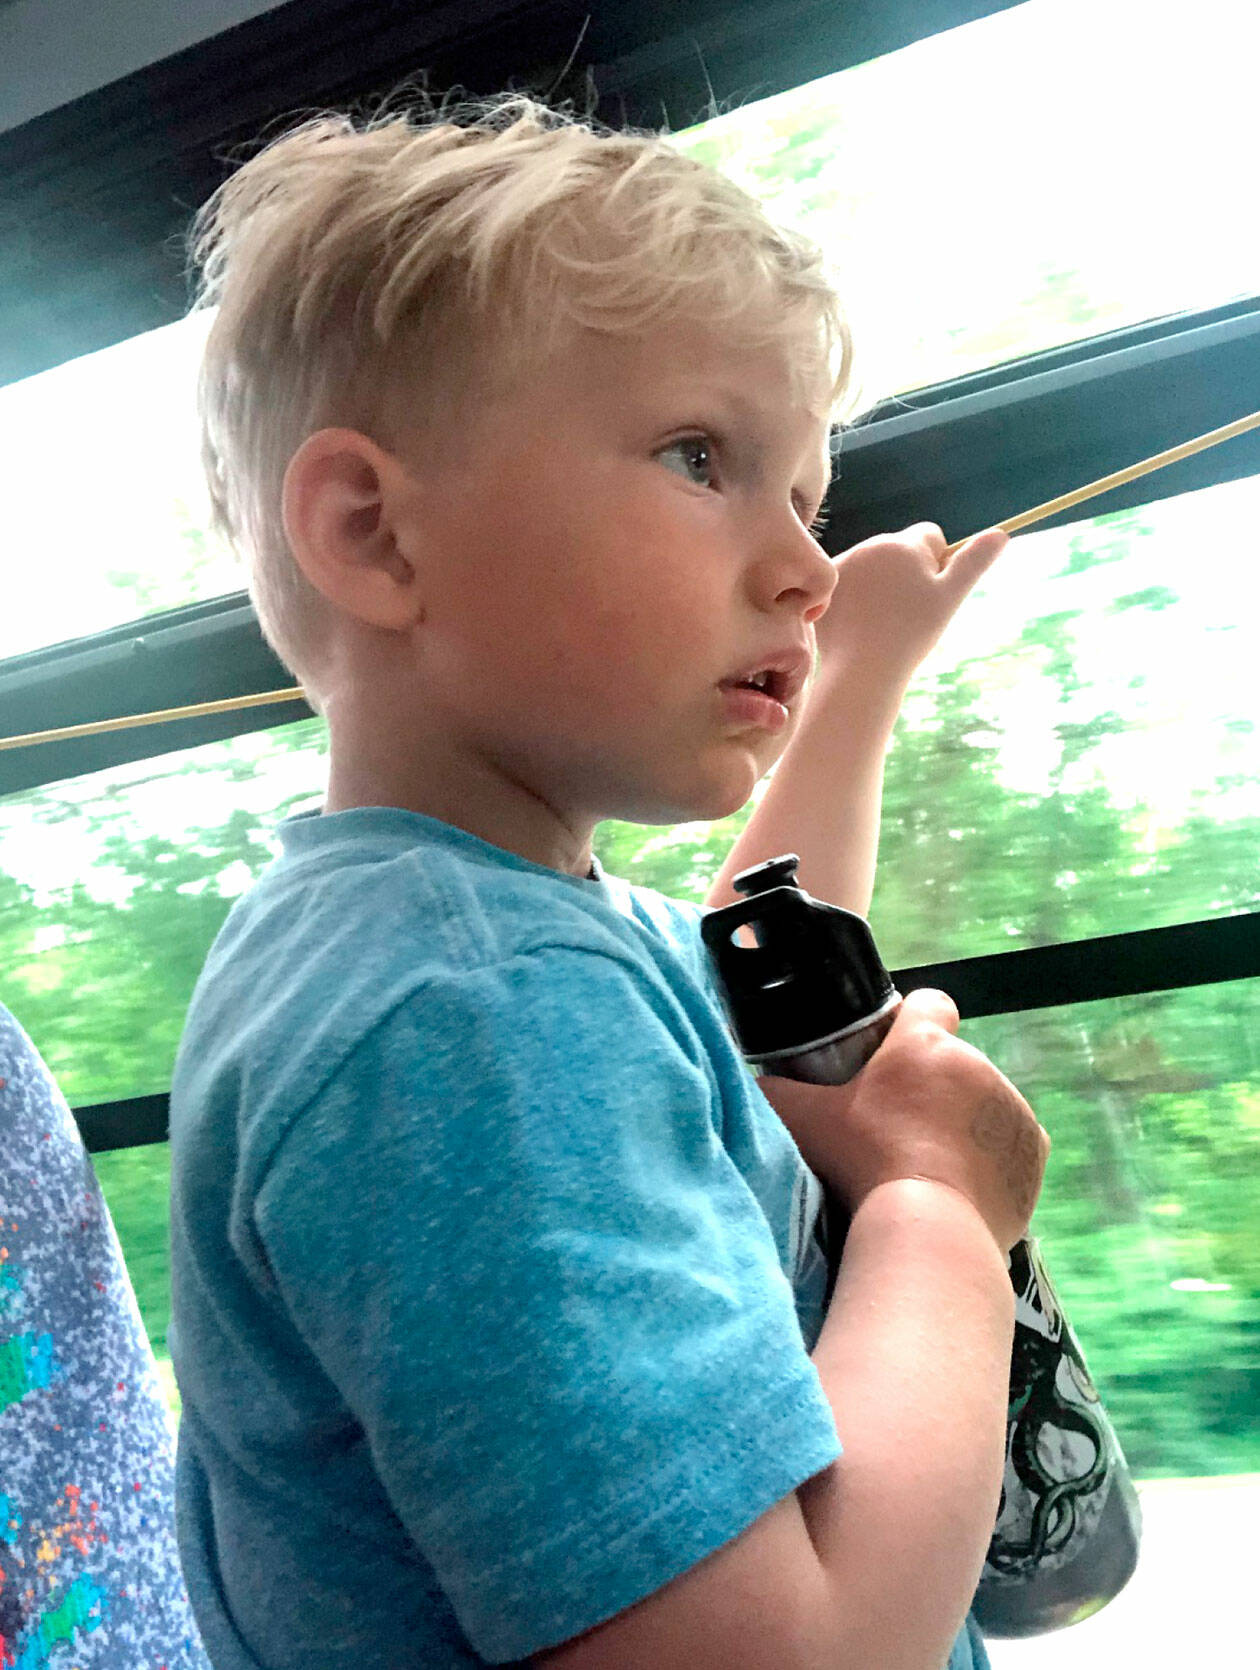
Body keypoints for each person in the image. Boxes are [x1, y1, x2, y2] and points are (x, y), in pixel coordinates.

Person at [168, 93, 1048, 1670]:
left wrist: (855, 684)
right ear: (375, 531)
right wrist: (942, 1211)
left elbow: (765, 1004)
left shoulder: (466, 933)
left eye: (809, 499)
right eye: (703, 455)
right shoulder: (469, 1009)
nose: (808, 563)